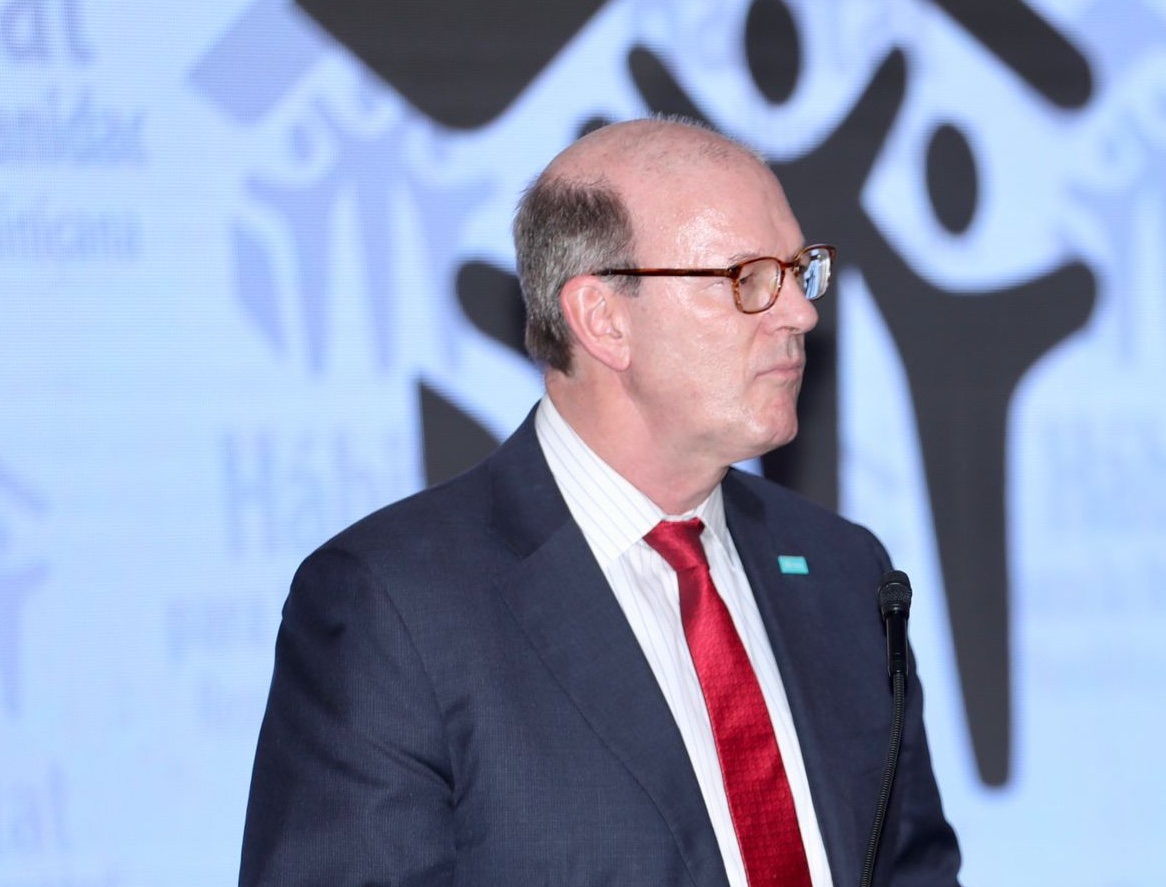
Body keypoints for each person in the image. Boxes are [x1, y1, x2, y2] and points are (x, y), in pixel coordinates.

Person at [238, 117, 962, 887]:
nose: (800, 313)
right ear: (603, 320)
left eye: (800, 269)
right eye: (749, 278)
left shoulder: (842, 570)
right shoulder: (395, 607)